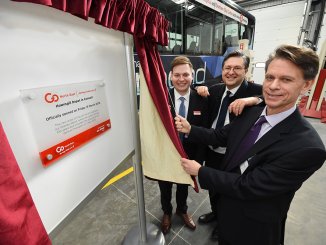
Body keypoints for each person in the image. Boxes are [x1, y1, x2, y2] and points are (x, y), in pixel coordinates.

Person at [175, 44, 326, 245]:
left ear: (306, 85)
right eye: (270, 77)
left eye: (286, 80)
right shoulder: (252, 113)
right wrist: (190, 129)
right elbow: (221, 136)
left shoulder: (307, 148)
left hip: (252, 229)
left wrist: (200, 171)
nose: (273, 86)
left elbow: (248, 186)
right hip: (226, 209)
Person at [195, 50, 263, 241]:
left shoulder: (252, 90)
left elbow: (271, 96)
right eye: (227, 68)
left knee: (230, 192)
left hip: (234, 154)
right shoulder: (217, 89)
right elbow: (193, 84)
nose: (231, 72)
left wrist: (253, 99)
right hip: (212, 149)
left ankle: (224, 222)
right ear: (222, 70)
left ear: (246, 71)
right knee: (213, 186)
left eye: (237, 68)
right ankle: (215, 213)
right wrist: (199, 88)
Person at [158, 56, 209, 234]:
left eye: (185, 74)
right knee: (164, 186)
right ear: (170, 76)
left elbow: (204, 130)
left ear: (192, 75)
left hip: (190, 154)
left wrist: (199, 159)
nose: (181, 79)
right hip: (166, 154)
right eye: (177, 75)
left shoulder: (202, 98)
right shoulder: (161, 98)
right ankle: (166, 212)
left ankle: (182, 210)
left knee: (183, 186)